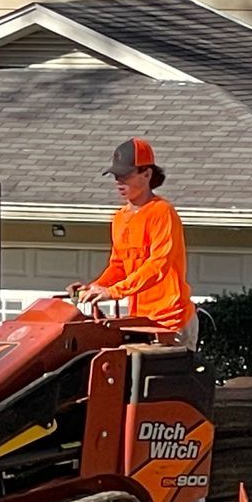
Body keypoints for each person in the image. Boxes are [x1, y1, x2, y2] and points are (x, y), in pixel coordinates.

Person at [74, 137, 198, 348]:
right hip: (139, 321)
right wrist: (96, 287)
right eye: (116, 176)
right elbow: (119, 265)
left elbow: (158, 265)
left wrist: (113, 292)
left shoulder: (162, 212)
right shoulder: (120, 218)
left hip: (170, 321)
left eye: (125, 176)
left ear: (147, 174)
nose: (119, 182)